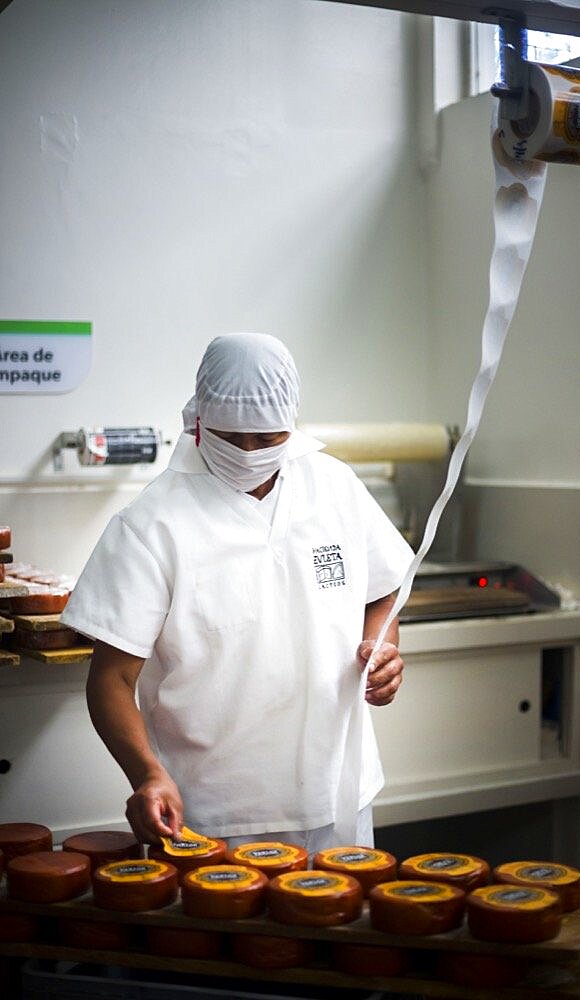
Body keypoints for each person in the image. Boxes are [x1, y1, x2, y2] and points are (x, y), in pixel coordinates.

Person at [61, 333, 413, 854]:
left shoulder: (335, 488)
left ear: (291, 424)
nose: (249, 454)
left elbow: (383, 590)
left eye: (267, 439)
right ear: (198, 421)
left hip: (340, 789)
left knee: (338, 930)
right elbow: (111, 679)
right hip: (213, 811)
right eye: (231, 437)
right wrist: (148, 775)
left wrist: (383, 647)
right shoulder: (151, 525)